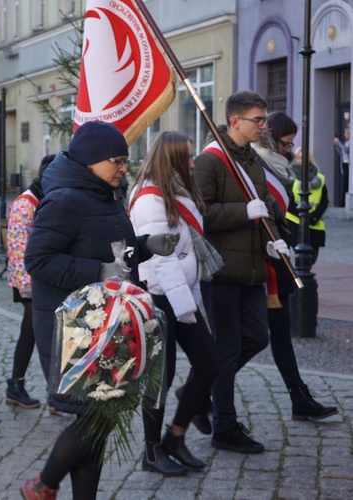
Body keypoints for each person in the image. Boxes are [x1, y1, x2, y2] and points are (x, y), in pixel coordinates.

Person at [23, 121, 177, 498]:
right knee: (95, 416)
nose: (124, 167)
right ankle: (43, 484)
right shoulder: (63, 200)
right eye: (117, 160)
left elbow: (116, 252)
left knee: (99, 416)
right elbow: (38, 260)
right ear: (92, 160)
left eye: (125, 160)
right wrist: (98, 272)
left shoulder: (104, 194)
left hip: (107, 323)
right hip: (72, 326)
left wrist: (146, 246)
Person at [194, 90, 289, 454]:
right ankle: (224, 426)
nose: (263, 126)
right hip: (221, 268)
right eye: (257, 120)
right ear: (235, 120)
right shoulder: (211, 160)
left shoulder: (250, 158)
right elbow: (201, 215)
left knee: (256, 338)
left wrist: (273, 241)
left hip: (252, 266)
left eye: (264, 119)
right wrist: (242, 212)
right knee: (228, 347)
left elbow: (263, 207)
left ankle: (197, 391)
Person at [129, 132, 219, 476]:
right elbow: (161, 258)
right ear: (173, 160)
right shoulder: (150, 199)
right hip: (159, 298)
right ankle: (152, 452)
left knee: (209, 364)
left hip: (180, 293)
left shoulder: (175, 192)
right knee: (159, 379)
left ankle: (175, 437)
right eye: (188, 157)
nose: (193, 163)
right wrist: (186, 307)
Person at [255, 116, 338, 421]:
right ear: (272, 139)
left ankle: (299, 397)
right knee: (249, 340)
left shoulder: (280, 168)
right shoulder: (259, 167)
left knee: (279, 333)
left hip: (278, 257)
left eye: (292, 143)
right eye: (286, 143)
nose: (290, 150)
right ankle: (201, 394)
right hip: (258, 263)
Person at [4, 154, 54, 409]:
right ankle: (21, 385)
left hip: (45, 281)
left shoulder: (47, 199)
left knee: (35, 332)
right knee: (36, 331)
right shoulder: (26, 204)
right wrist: (27, 287)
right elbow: (17, 247)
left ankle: (19, 384)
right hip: (30, 283)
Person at [287, 148, 329, 266]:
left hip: (314, 224)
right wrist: (302, 215)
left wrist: (313, 217)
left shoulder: (320, 178)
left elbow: (324, 201)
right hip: (295, 223)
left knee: (312, 258)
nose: (301, 160)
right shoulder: (289, 175)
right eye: (298, 157)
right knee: (300, 260)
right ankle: (299, 282)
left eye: (304, 158)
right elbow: (289, 201)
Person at [333, 126, 349, 206]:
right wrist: (337, 145)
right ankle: (342, 202)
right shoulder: (346, 142)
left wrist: (339, 143)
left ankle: (343, 203)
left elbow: (346, 150)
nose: (344, 135)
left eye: (346, 133)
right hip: (344, 163)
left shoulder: (350, 142)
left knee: (346, 184)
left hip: (348, 165)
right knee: (344, 183)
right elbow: (342, 152)